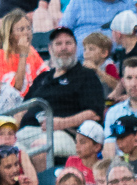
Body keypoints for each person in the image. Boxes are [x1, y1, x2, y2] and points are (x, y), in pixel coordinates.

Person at [16, 28, 106, 168]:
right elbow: (23, 109)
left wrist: (62, 123)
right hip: (28, 132)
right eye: (58, 44)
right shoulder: (42, 78)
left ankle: (40, 182)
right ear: (50, 49)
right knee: (4, 151)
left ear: (76, 47)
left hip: (65, 134)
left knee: (39, 147)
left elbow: (94, 114)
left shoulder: (86, 75)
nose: (64, 48)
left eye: (68, 43)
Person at [60, 0, 137, 59]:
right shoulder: (78, 2)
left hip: (119, 63)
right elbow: (61, 33)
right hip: (80, 62)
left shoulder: (135, 3)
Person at [0, 10, 49, 98]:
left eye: (28, 28)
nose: (27, 32)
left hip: (34, 99)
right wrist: (23, 54)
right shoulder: (0, 55)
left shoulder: (31, 50)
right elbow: (16, 88)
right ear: (10, 34)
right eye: (21, 29)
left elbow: (46, 75)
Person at [65, 120, 105, 185]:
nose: (77, 146)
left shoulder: (103, 168)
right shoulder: (72, 161)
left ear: (97, 147)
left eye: (82, 142)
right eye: (76, 141)